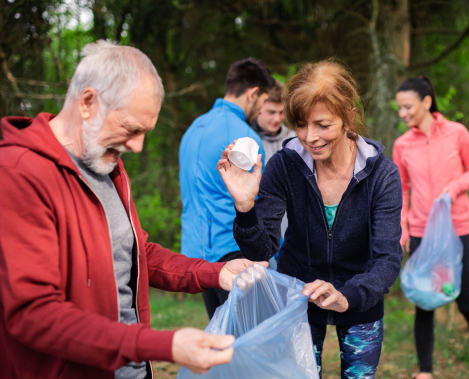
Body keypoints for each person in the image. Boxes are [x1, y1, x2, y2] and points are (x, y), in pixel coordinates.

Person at [0, 40, 266, 379]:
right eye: (131, 129)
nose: (137, 146)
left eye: (145, 132)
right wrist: (162, 345)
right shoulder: (19, 173)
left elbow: (137, 254)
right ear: (87, 103)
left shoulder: (105, 164)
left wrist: (215, 272)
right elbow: (34, 315)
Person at [217, 60, 404, 378]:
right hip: (298, 301)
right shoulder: (284, 166)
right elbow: (261, 251)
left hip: (361, 303)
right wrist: (245, 206)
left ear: (349, 117)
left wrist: (349, 295)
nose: (310, 137)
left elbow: (387, 258)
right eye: (301, 124)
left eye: (322, 125)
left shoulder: (382, 175)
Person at [393, 76, 469, 379]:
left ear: (427, 102)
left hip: (460, 229)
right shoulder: (402, 144)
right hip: (421, 233)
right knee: (424, 302)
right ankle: (425, 372)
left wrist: (454, 188)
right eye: (400, 107)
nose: (402, 113)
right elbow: (401, 187)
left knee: (467, 302)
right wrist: (402, 227)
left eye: (407, 106)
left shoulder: (457, 133)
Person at [179, 58, 274, 319]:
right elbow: (253, 199)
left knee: (223, 337)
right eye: (264, 102)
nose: (261, 110)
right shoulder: (243, 136)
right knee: (249, 343)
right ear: (253, 93)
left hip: (196, 255)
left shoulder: (193, 128)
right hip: (231, 251)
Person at [250, 80, 296, 269]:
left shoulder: (295, 138)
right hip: (260, 229)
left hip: (292, 231)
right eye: (271, 112)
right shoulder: (247, 140)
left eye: (281, 112)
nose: (277, 119)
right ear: (259, 108)